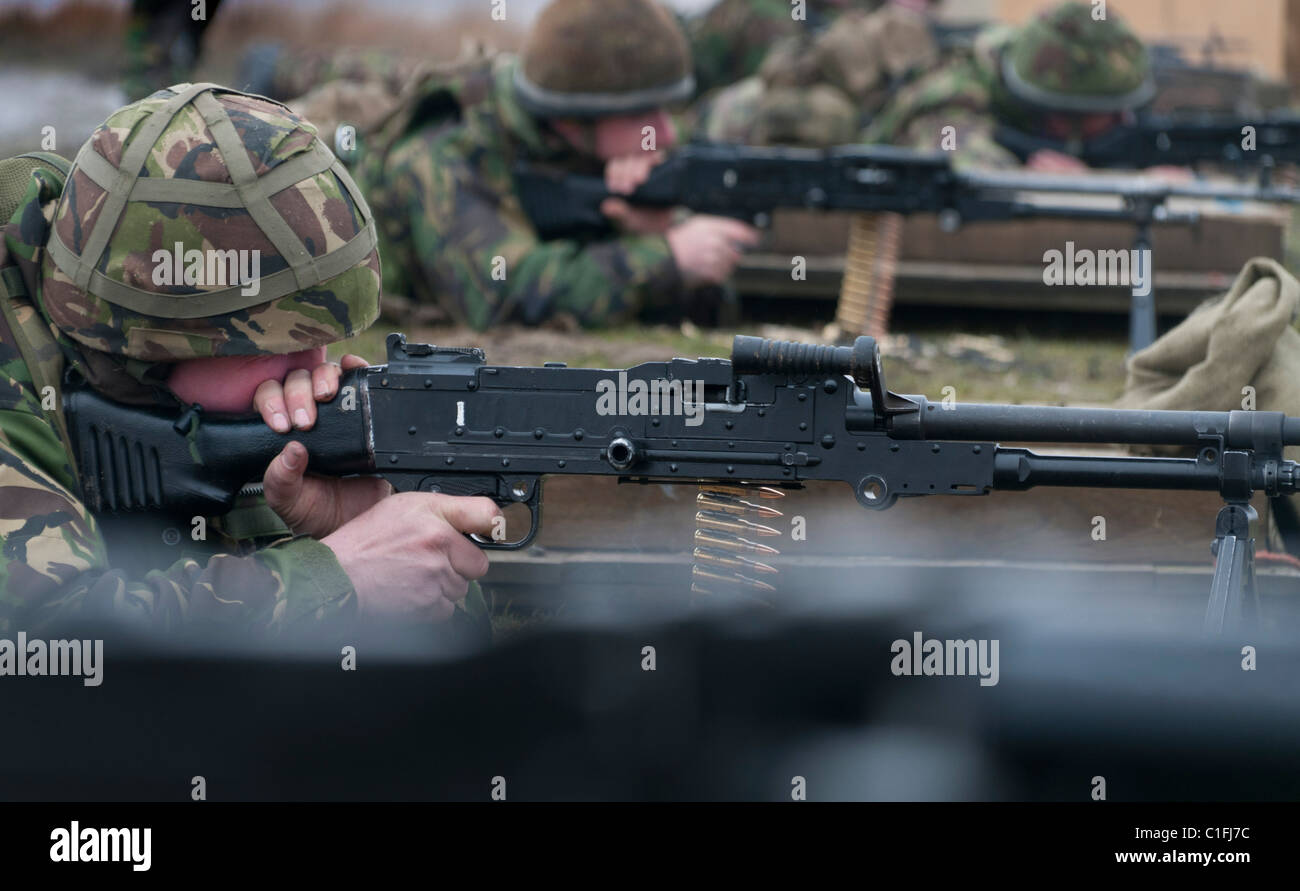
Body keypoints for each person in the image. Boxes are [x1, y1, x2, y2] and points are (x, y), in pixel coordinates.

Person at [0, 84, 499, 637]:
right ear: (149, 345)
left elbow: (434, 682)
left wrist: (364, 527)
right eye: (277, 345)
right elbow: (53, 659)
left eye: (326, 339)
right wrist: (337, 579)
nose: (317, 369)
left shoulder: (207, 423)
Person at [357, 0, 760, 331]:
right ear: (571, 120)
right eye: (643, 114)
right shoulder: (444, 151)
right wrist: (662, 258)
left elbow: (711, 311)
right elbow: (501, 298)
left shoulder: (594, 153)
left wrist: (650, 230)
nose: (666, 133)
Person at [863, 1, 1155, 171]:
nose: (1124, 121)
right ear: (1057, 114)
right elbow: (957, 161)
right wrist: (1090, 184)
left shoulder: (1029, 58)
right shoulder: (955, 91)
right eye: (1108, 112)